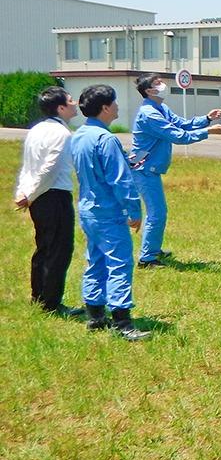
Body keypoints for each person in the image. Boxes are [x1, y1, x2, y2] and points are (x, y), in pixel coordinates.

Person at [71, 85, 150, 340]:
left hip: (88, 209)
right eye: (114, 103)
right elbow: (120, 181)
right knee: (119, 264)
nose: (118, 106)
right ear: (105, 108)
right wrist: (134, 210)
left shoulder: (80, 135)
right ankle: (122, 322)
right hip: (108, 213)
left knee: (95, 260)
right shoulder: (107, 139)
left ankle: (95, 315)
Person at [130, 73, 221, 268]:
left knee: (158, 212)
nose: (163, 85)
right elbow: (178, 135)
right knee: (157, 213)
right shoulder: (150, 114)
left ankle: (153, 250)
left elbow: (182, 124)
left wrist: (207, 119)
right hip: (143, 169)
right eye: (158, 83)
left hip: (150, 168)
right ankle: (147, 258)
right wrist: (207, 131)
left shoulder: (160, 108)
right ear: (149, 91)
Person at [13, 86, 83, 316]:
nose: (75, 103)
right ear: (61, 107)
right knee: (59, 249)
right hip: (52, 194)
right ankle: (52, 303)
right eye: (70, 100)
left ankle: (39, 297)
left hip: (37, 195)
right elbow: (48, 169)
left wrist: (24, 192)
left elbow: (28, 166)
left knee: (44, 246)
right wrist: (30, 194)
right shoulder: (61, 134)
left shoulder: (36, 130)